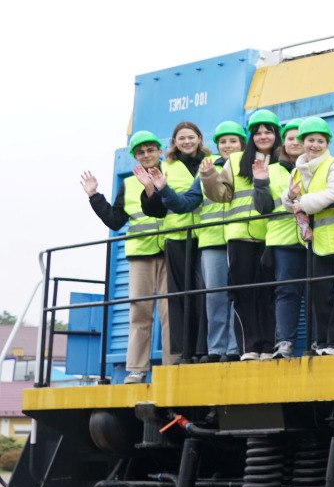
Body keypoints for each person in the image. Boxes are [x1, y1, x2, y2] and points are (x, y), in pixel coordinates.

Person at [80, 129, 170, 382]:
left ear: (159, 152)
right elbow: (116, 220)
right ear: (135, 157)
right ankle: (137, 368)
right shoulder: (129, 183)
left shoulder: (172, 174)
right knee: (139, 312)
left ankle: (172, 365)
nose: (147, 154)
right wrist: (94, 196)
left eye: (151, 150)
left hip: (170, 251)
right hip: (140, 253)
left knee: (169, 311)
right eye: (141, 152)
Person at [203, 110, 282, 360]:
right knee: (242, 294)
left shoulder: (282, 161)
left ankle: (269, 346)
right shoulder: (236, 160)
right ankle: (249, 348)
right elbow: (221, 194)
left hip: (273, 236)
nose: (263, 135)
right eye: (257, 132)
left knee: (268, 295)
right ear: (251, 136)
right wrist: (208, 177)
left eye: (268, 131)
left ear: (276, 134)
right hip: (240, 238)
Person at [281, 117, 334, 354]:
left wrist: (301, 202)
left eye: (320, 141)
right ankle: (323, 342)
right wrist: (290, 198)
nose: (314, 145)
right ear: (303, 142)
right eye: (310, 140)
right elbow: (289, 203)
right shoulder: (297, 170)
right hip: (317, 242)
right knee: (320, 295)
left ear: (326, 143)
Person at [154, 123, 210, 361]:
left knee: (203, 293)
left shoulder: (213, 162)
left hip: (205, 235)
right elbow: (155, 206)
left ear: (199, 138)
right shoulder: (164, 166)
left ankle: (202, 350)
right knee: (178, 297)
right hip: (176, 238)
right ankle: (182, 351)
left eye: (191, 137)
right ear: (174, 142)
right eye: (181, 138)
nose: (186, 142)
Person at [194, 120, 246, 360]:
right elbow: (190, 200)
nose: (228, 146)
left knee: (237, 294)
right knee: (215, 296)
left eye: (233, 141)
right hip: (213, 241)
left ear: (242, 143)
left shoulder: (247, 166)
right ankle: (216, 348)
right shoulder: (207, 167)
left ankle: (234, 348)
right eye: (223, 142)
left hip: (239, 239)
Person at [259, 120, 306, 357]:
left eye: (300, 137)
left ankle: (317, 343)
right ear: (283, 143)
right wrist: (259, 183)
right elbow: (263, 206)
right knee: (286, 291)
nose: (295, 142)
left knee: (320, 292)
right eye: (290, 138)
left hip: (315, 238)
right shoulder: (272, 170)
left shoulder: (317, 167)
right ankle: (285, 342)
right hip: (283, 240)